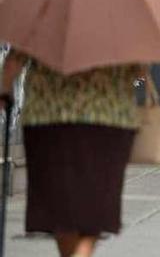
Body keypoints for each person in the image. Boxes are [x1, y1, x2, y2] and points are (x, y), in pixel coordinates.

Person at [1, 52, 140, 257]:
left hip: (48, 115)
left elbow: (15, 59)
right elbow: (139, 68)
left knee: (60, 204)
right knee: (98, 201)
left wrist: (4, 89)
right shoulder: (123, 21)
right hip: (107, 115)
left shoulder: (42, 18)